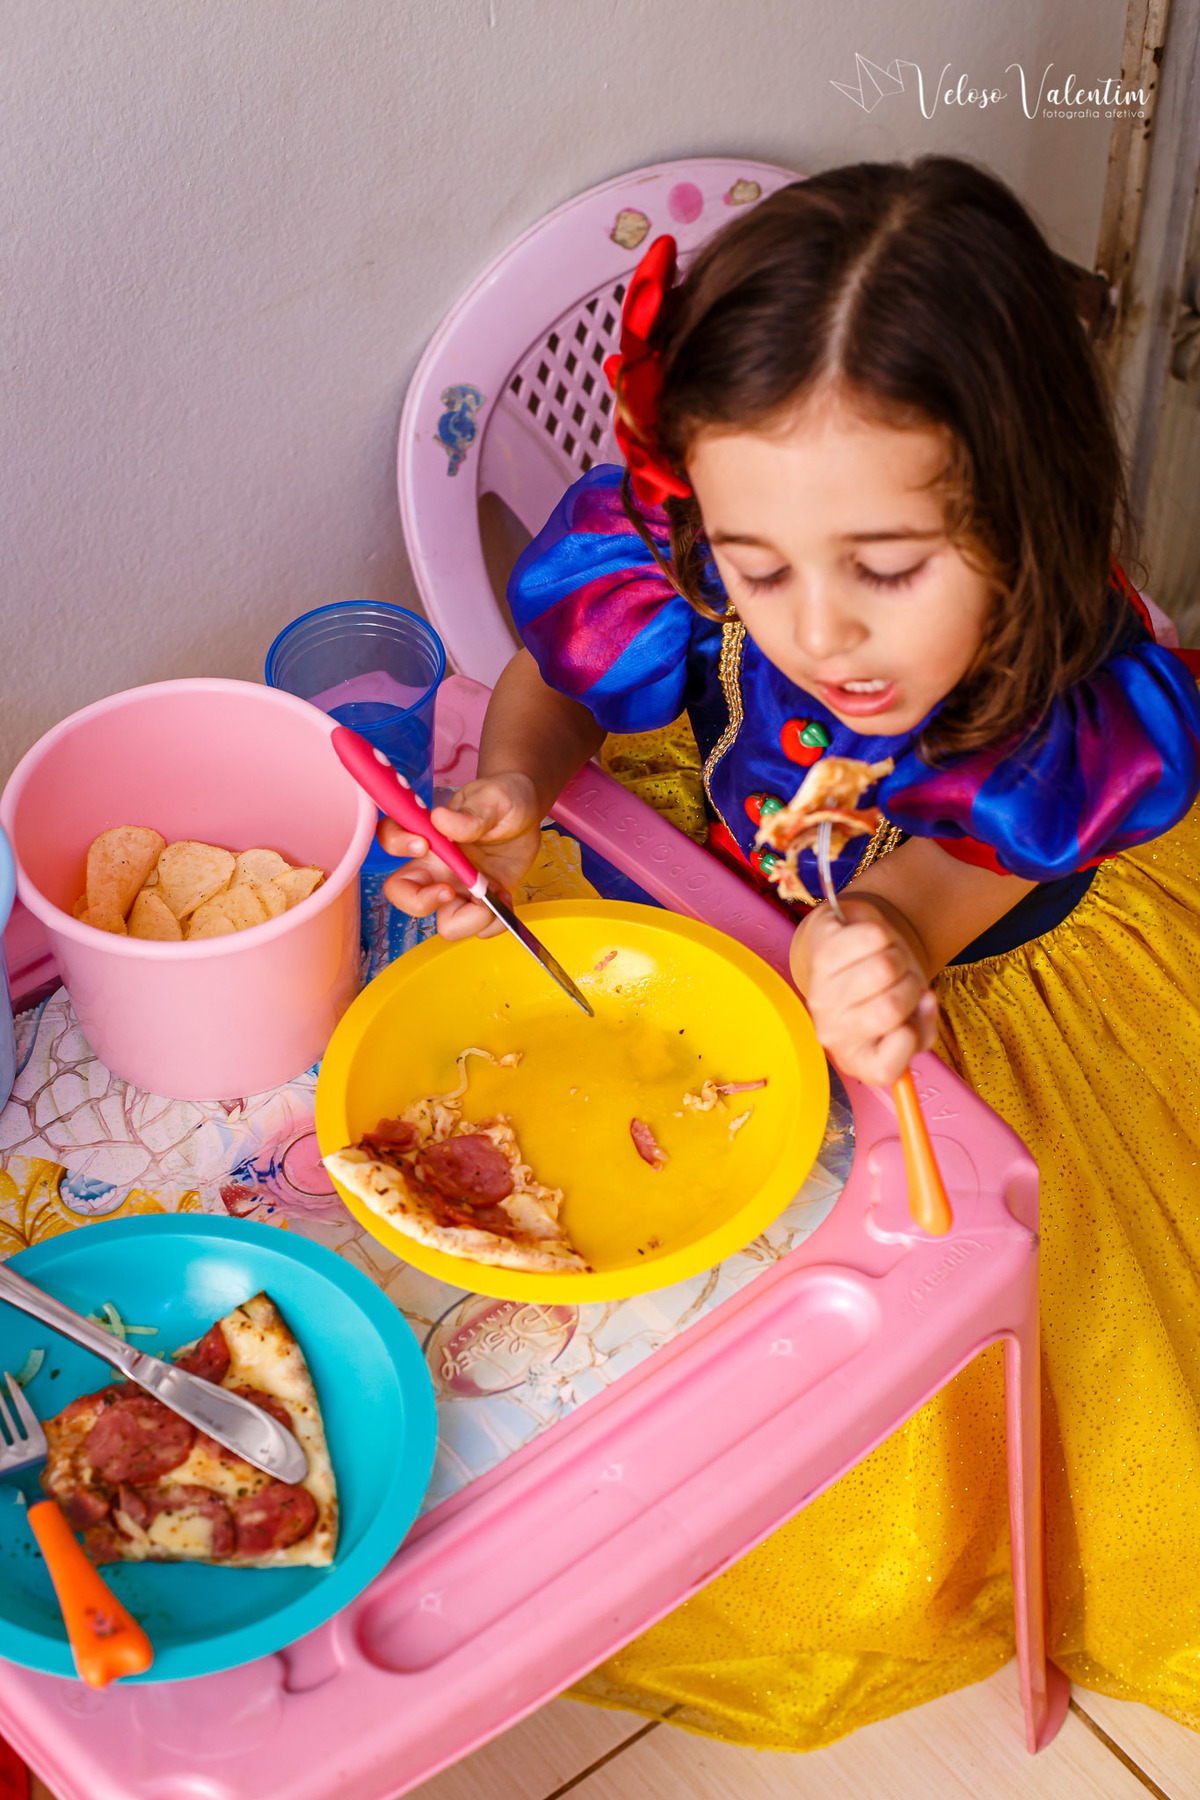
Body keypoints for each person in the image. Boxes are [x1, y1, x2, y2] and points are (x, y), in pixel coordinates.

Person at [382, 156, 1200, 1750]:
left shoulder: (1071, 700)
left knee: (1047, 1399)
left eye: (887, 571)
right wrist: (514, 785)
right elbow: (557, 676)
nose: (817, 633)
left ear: (1020, 514)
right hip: (731, 906)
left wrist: (881, 937)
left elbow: (941, 887)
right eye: (760, 574)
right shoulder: (683, 539)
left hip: (989, 975)